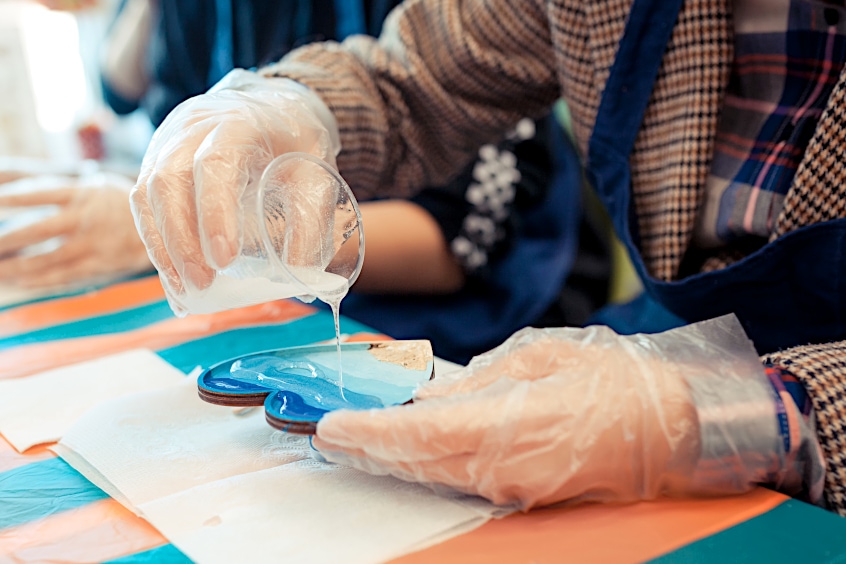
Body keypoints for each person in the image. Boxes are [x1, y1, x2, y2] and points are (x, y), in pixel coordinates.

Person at [128, 0, 846, 515]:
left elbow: (465, 238)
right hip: (652, 351)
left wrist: (757, 415)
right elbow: (415, 75)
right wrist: (288, 106)